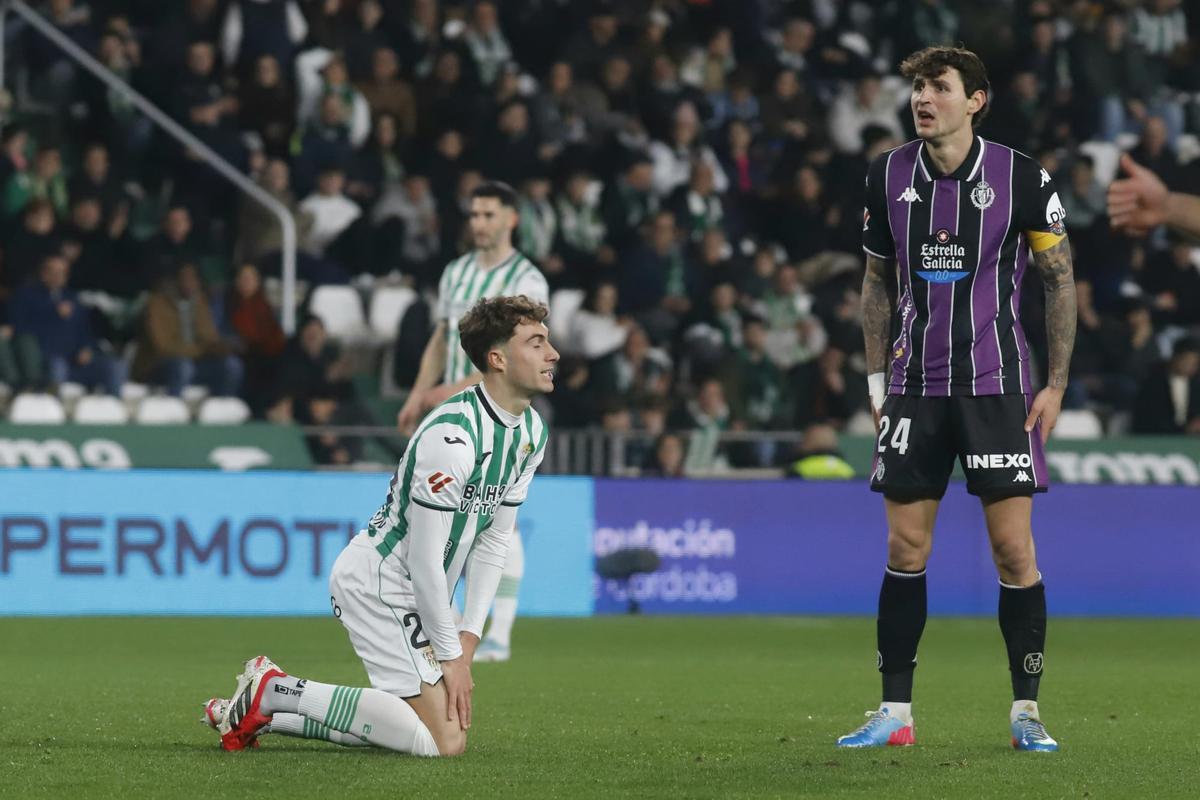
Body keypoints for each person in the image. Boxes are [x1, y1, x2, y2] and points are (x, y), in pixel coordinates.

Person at [842, 46, 1076, 752]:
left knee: (1012, 551)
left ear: (975, 100)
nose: (922, 97)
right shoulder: (886, 175)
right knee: (905, 545)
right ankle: (894, 713)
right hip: (914, 389)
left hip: (998, 386)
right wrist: (876, 382)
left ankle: (1026, 712)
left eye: (938, 87)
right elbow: (876, 285)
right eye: (916, 85)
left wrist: (1057, 382)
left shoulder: (1022, 176)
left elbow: (1058, 278)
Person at [202, 295, 556, 756]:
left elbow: (494, 540)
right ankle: (276, 689)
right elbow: (426, 562)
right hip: (382, 582)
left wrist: (469, 636)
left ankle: (264, 709)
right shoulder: (453, 439)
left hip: (423, 591)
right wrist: (451, 656)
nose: (553, 353)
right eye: (536, 342)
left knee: (421, 731)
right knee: (444, 742)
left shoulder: (530, 432)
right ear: (497, 358)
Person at [397, 180, 550, 664]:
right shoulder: (455, 273)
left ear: (511, 219)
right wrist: (420, 392)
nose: (479, 223)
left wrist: (448, 389)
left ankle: (495, 632)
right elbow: (442, 338)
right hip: (452, 410)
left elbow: (516, 355)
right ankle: (442, 624)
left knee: (498, 518)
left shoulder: (528, 279)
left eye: (488, 214)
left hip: (496, 407)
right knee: (450, 513)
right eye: (474, 214)